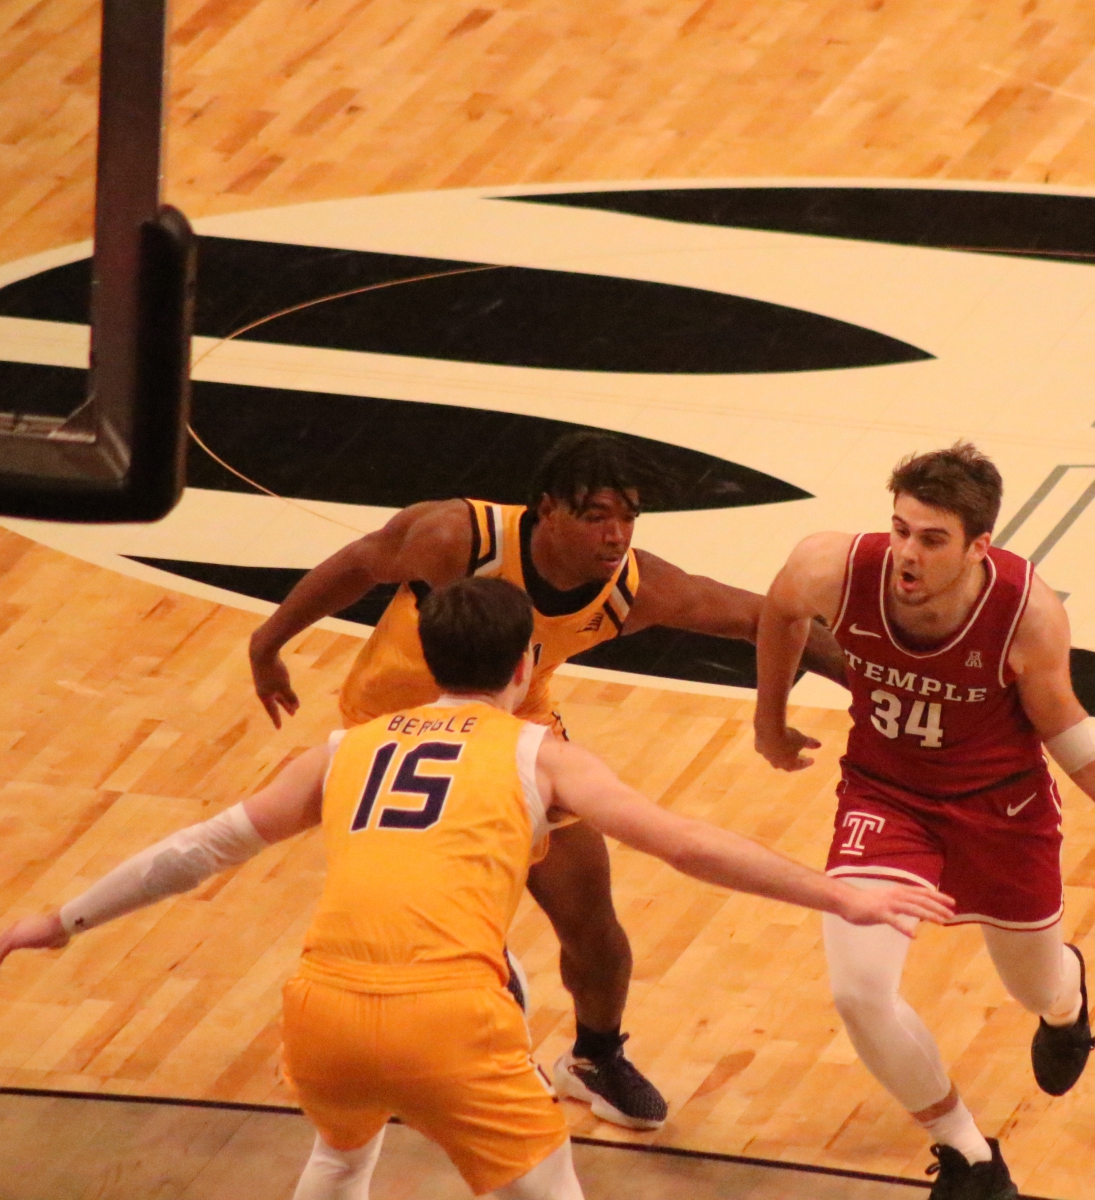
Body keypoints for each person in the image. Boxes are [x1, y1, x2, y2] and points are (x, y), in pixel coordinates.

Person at [0, 577, 951, 1200]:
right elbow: (688, 846)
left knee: (340, 1155)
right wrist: (841, 896)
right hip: (446, 1019)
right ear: (527, 665)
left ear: (429, 659)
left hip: (320, 1014)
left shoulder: (345, 749)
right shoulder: (539, 753)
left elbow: (196, 850)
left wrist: (61, 919)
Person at [247, 431, 845, 1129]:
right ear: (547, 509)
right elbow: (360, 562)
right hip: (392, 736)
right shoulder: (457, 539)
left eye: (628, 517)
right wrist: (268, 642)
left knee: (591, 914)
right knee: (435, 920)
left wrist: (872, 688)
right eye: (596, 516)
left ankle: (595, 1057)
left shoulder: (632, 588)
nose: (616, 535)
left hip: (513, 733)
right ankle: (447, 1051)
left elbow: (768, 617)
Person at [753, 443, 1095, 1200]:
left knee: (1034, 988)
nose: (906, 553)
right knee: (859, 991)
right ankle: (969, 1155)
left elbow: (1062, 724)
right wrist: (769, 721)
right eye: (900, 529)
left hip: (1001, 809)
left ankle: (1066, 1001)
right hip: (884, 797)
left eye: (932, 539)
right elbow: (780, 612)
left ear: (979, 546)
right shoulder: (831, 567)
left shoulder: (1027, 613)